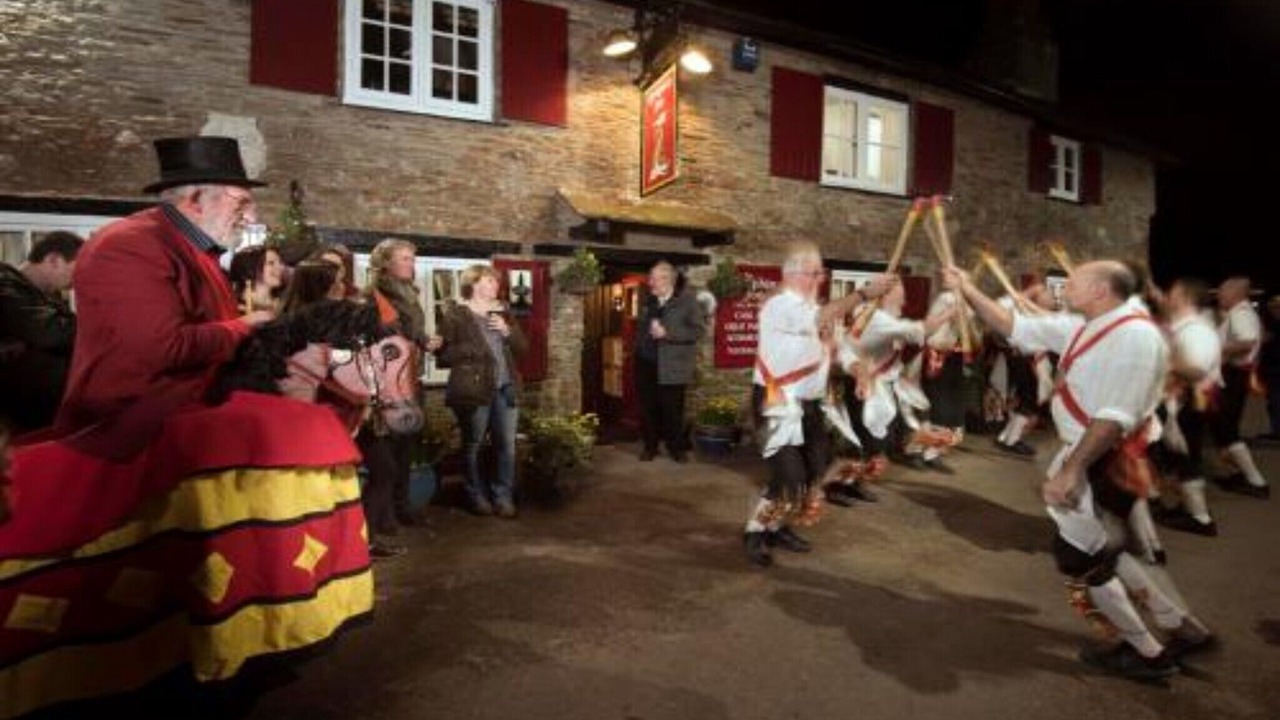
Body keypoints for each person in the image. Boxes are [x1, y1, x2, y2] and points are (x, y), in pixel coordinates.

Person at [1, 137, 375, 717]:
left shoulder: (192, 249)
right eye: (240, 201)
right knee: (284, 438)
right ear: (196, 199)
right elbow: (157, 347)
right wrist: (249, 327)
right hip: (133, 416)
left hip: (192, 410)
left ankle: (246, 625)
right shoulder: (127, 246)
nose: (249, 215)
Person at [943, 259, 1213, 681]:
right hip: (1096, 454)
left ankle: (1147, 653)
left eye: (1074, 281)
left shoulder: (1135, 337)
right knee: (1104, 548)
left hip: (1107, 457)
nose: (1064, 285)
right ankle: (1181, 626)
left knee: (1079, 558)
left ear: (1100, 291)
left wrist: (1071, 471)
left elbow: (1113, 418)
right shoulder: (1088, 325)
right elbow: (1014, 326)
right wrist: (967, 289)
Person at [743, 240, 891, 567]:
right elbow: (817, 319)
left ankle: (776, 527)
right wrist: (864, 294)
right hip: (776, 401)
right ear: (792, 274)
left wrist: (858, 371)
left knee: (814, 470)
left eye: (820, 272)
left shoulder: (820, 311)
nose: (820, 278)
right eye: (814, 273)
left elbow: (842, 350)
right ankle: (755, 531)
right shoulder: (778, 305)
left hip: (809, 405)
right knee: (790, 475)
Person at [437, 264, 528, 517]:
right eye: (489, 281)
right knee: (473, 444)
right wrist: (471, 350)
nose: (495, 285)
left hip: (505, 388)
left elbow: (523, 349)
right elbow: (443, 356)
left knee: (507, 446)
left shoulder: (504, 312)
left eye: (496, 281)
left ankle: (503, 496)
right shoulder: (456, 315)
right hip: (473, 389)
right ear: (474, 284)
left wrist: (507, 331)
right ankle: (476, 495)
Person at [358, 238, 432, 548]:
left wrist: (425, 341)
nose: (411, 264)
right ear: (385, 263)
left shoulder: (410, 294)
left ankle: (402, 507)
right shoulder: (374, 297)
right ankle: (385, 514)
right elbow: (380, 340)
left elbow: (411, 334)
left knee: (404, 449)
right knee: (387, 452)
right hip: (389, 382)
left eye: (412, 259)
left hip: (411, 378)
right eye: (404, 258)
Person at [1149, 277, 1221, 537]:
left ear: (1185, 298)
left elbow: (1196, 367)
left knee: (1185, 459)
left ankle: (1200, 518)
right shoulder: (1187, 327)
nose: (1168, 296)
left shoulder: (1196, 330)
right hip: (1182, 401)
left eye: (1172, 293)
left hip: (1187, 401)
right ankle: (1190, 508)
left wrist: (1163, 362)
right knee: (1180, 458)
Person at [0, 231, 83, 432]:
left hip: (35, 416)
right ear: (53, 260)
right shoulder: (5, 286)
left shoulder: (45, 298)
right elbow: (51, 333)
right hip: (14, 417)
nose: (79, 279)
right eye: (78, 268)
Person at [633, 260, 705, 462]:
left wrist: (668, 334)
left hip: (673, 366)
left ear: (666, 279)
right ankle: (650, 447)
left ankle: (676, 449)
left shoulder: (687, 301)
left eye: (653, 279)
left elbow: (698, 331)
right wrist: (637, 349)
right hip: (645, 363)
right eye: (650, 278)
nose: (650, 282)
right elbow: (641, 329)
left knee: (672, 410)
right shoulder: (648, 300)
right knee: (648, 408)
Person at [1210, 276, 1270, 499]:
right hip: (1235, 375)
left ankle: (1256, 481)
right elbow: (1259, 337)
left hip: (1232, 376)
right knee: (1223, 427)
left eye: (1222, 291)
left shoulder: (1241, 313)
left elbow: (1247, 342)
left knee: (1226, 428)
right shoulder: (1242, 313)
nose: (1218, 295)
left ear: (1235, 293)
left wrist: (1216, 353)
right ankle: (1238, 473)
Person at [228, 244, 285, 312]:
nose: (281, 267)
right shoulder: (234, 307)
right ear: (250, 269)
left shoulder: (285, 302)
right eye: (271, 263)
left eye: (280, 262)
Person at [1257, 294, 1280, 441]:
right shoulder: (1272, 323)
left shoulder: (1275, 325)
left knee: (1275, 399)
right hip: (1272, 367)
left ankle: (1277, 430)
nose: (1273, 310)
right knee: (1273, 400)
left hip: (1275, 368)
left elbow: (1264, 339)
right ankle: (1275, 429)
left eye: (1276, 307)